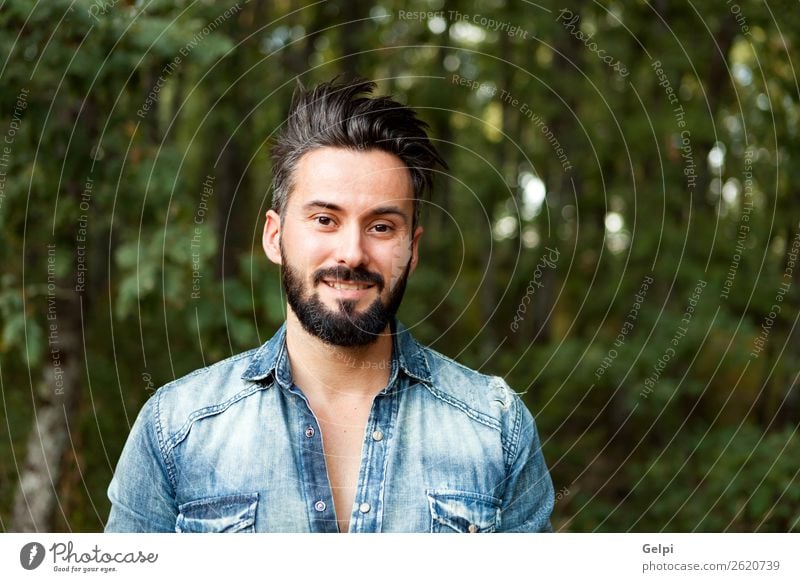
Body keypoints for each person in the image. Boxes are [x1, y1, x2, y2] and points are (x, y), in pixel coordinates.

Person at [105, 77, 554, 533]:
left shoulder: (496, 429)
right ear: (275, 236)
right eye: (325, 220)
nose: (352, 253)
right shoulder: (177, 428)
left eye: (381, 227)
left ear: (412, 250)